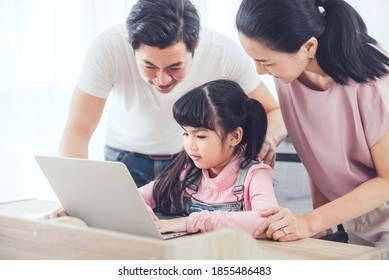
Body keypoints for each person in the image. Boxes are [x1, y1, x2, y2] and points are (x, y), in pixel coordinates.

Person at [59, 0, 287, 187]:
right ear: (131, 45)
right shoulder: (107, 48)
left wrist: (268, 138)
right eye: (149, 66)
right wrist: (74, 192)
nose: (162, 79)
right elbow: (78, 130)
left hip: (192, 163)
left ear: (196, 46)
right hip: (124, 160)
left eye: (174, 68)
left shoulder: (224, 54)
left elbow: (274, 110)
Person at [236, 0, 389, 252]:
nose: (260, 71)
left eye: (266, 61)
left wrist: (310, 222)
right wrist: (321, 224)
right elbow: (316, 156)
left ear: (308, 46)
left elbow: (386, 180)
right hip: (353, 218)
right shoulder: (288, 74)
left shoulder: (373, 81)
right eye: (254, 59)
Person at [138, 79, 278, 235]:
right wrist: (141, 211)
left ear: (234, 136)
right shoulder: (188, 172)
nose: (190, 145)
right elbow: (137, 196)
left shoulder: (256, 175)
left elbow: (266, 220)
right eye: (185, 133)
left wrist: (192, 222)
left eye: (201, 136)